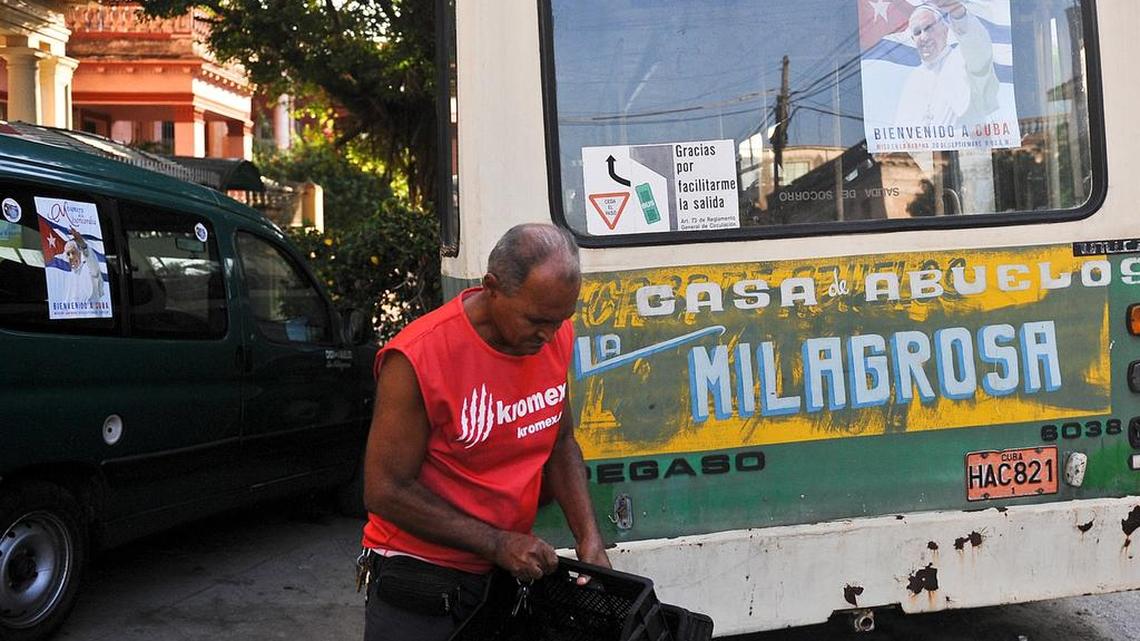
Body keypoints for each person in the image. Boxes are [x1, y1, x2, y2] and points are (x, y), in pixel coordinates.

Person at [359, 223, 610, 641]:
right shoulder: (418, 357)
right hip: (420, 581)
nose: (549, 335)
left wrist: (590, 540)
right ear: (492, 287)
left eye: (561, 319)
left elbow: (561, 441)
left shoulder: (552, 335)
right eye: (536, 320)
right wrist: (496, 542)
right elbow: (384, 490)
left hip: (499, 575)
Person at [894, 0, 1000, 129]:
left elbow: (978, 47)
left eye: (928, 28)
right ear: (913, 40)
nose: (924, 37)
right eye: (917, 32)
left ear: (945, 29)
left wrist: (959, 16)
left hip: (964, 148)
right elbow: (902, 127)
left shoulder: (962, 58)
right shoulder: (913, 78)